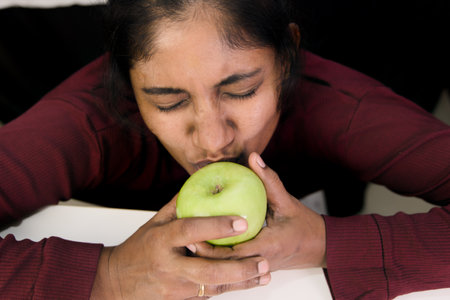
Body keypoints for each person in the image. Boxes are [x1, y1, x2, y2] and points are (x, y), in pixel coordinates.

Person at [0, 0, 449, 299]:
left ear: (288, 56)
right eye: (169, 101)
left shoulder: (340, 106)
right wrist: (108, 275)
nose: (214, 141)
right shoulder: (88, 118)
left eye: (242, 90)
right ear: (128, 88)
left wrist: (328, 241)